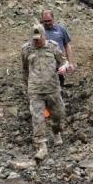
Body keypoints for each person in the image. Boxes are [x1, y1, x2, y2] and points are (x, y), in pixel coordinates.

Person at [21, 24, 69, 161]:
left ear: (44, 36)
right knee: (37, 118)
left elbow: (63, 62)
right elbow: (24, 70)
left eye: (39, 38)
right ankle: (41, 146)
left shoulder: (53, 47)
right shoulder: (26, 50)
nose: (37, 41)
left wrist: (64, 68)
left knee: (59, 114)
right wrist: (26, 86)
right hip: (35, 90)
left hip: (52, 88)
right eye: (34, 39)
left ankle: (56, 131)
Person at [40, 10, 74, 87]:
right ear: (42, 20)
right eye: (45, 21)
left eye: (49, 20)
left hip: (58, 65)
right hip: (43, 66)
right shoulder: (38, 30)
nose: (47, 23)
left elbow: (67, 46)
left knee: (58, 87)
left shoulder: (61, 29)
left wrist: (70, 63)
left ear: (53, 18)